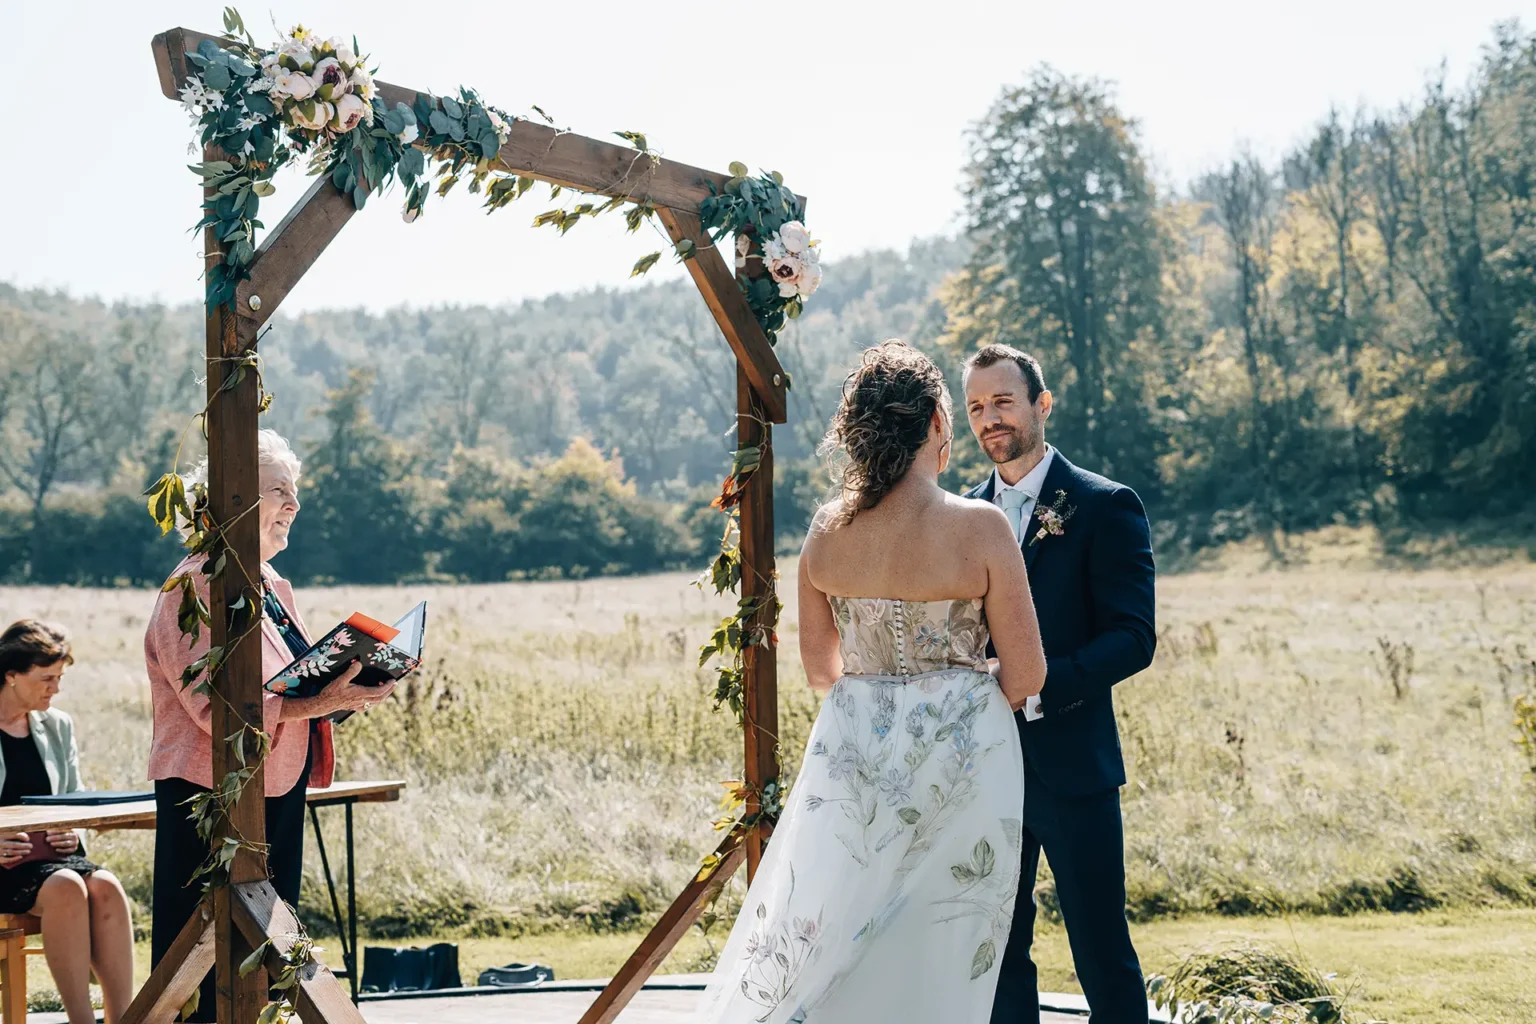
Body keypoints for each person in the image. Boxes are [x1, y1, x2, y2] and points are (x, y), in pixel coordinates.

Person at [695, 340, 1047, 1024]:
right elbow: (1027, 672)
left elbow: (822, 670)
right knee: (938, 944)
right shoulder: (981, 526)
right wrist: (956, 700)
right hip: (963, 766)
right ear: (939, 425)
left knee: (837, 923)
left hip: (853, 763)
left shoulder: (828, 531)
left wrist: (881, 697)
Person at [145, 429, 394, 1022]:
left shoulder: (272, 587)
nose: (295, 506)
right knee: (199, 963)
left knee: (266, 959)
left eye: (296, 491)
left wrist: (346, 690)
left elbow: (291, 687)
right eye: (280, 490)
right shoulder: (194, 585)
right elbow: (218, 711)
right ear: (232, 498)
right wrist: (316, 701)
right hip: (209, 796)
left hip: (278, 786)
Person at [960, 344, 1157, 1024]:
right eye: (977, 407)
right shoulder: (961, 515)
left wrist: (1035, 685)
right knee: (997, 953)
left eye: (1003, 401)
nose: (990, 419)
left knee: (1102, 951)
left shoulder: (1105, 505)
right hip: (985, 774)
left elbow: (1134, 638)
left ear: (1043, 405)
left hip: (1073, 766)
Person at [0, 620, 134, 1024]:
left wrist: (71, 829)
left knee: (106, 887)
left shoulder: (57, 724)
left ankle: (123, 1019)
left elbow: (72, 797)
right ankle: (82, 1020)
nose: (55, 689)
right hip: (5, 865)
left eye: (59, 677)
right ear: (10, 675)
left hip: (50, 859)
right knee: (66, 888)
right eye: (46, 678)